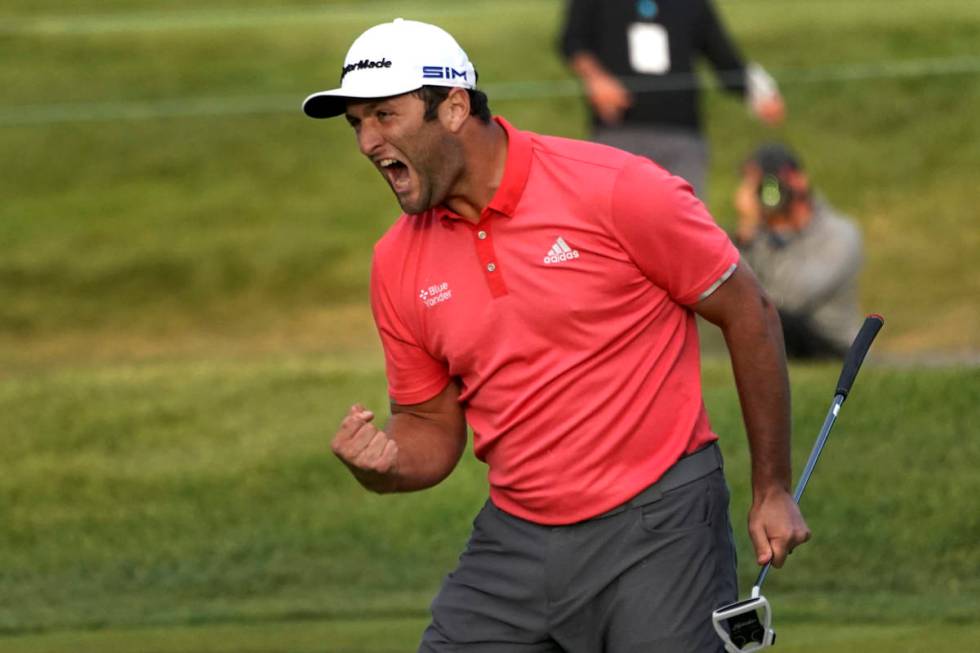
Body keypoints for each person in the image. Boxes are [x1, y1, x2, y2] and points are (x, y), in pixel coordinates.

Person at [303, 18, 810, 652]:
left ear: (454, 106)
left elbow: (750, 313)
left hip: (660, 526)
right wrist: (388, 464)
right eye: (357, 123)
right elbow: (430, 426)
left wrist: (771, 488)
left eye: (384, 115)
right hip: (517, 540)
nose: (368, 142)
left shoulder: (616, 188)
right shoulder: (396, 262)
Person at [559, 0, 785, 199]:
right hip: (618, 132)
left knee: (686, 226)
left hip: (681, 135)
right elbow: (573, 41)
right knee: (614, 224)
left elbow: (723, 56)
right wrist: (595, 78)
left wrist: (761, 94)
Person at [733, 143, 863, 359]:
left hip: (832, 346)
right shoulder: (755, 234)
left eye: (768, 184)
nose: (765, 195)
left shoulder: (839, 233)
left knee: (770, 316)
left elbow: (793, 296)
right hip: (779, 340)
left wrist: (774, 235)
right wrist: (746, 234)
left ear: (797, 180)